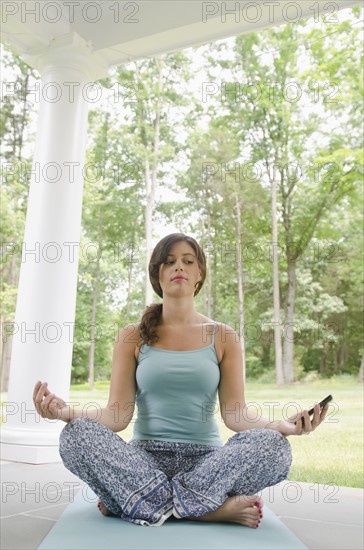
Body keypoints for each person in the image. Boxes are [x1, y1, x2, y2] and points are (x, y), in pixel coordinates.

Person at [33, 233, 329, 528]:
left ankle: (135, 501)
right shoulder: (132, 336)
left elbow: (236, 415)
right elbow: (117, 415)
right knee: (75, 436)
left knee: (275, 447)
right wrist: (65, 413)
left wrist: (282, 427)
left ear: (199, 274)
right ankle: (205, 509)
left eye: (188, 261)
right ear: (157, 274)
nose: (179, 268)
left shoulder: (223, 336)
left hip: (206, 465)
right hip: (145, 461)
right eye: (169, 262)